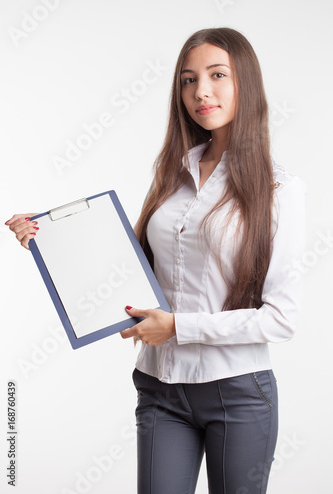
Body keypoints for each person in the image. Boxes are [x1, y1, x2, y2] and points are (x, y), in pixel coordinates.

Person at [6, 28, 306, 493]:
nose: (200, 91)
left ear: (246, 81)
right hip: (160, 387)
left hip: (238, 394)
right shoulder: (172, 174)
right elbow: (136, 269)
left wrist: (178, 327)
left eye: (217, 75)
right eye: (188, 80)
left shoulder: (278, 189)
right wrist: (49, 240)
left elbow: (282, 319)